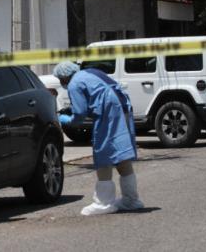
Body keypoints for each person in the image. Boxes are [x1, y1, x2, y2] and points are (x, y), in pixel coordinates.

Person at [53, 61, 144, 215]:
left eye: (60, 80)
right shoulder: (91, 72)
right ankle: (131, 200)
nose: (61, 83)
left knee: (103, 155)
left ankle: (104, 203)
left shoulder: (75, 84)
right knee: (122, 156)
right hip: (122, 109)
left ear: (64, 77)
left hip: (108, 114)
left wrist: (66, 120)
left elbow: (80, 114)